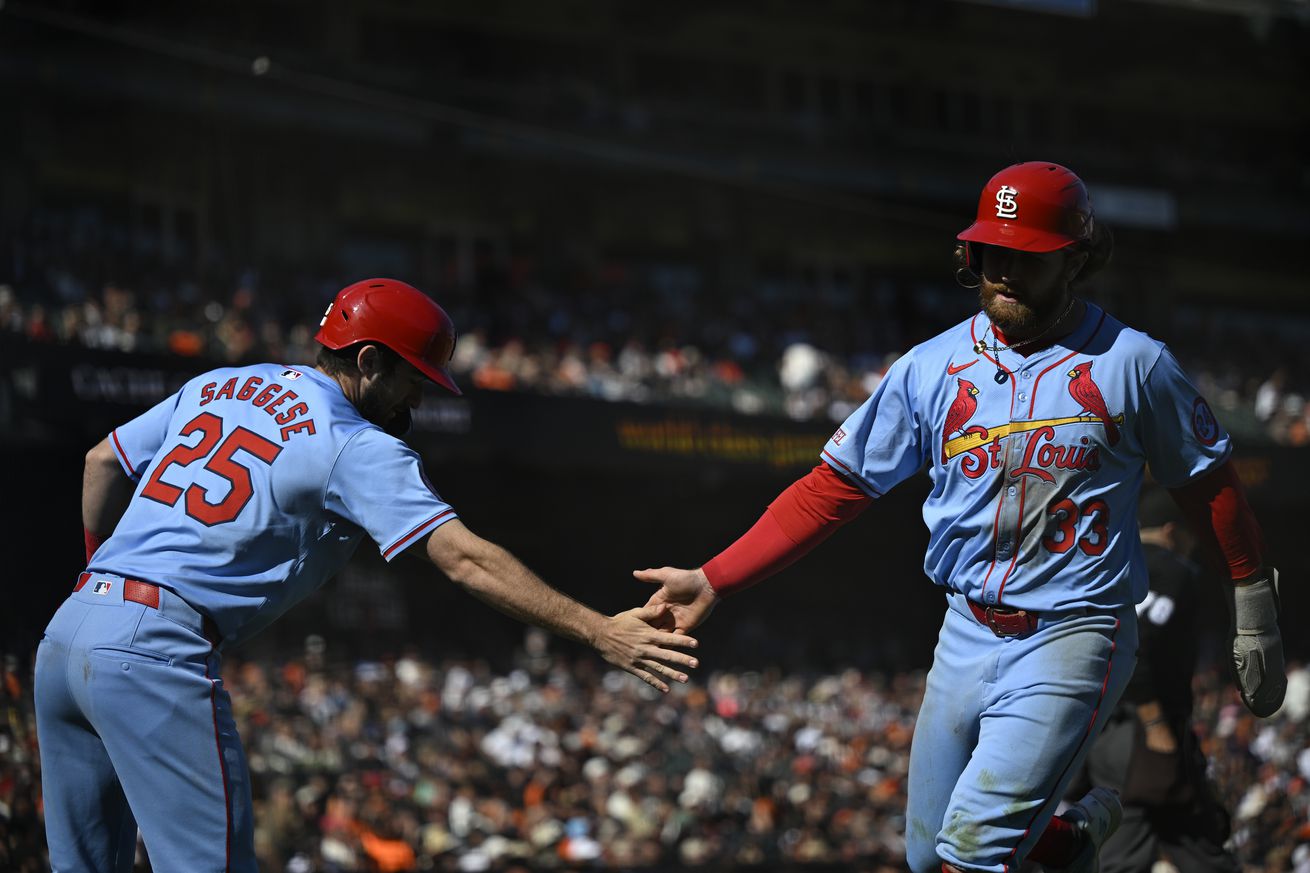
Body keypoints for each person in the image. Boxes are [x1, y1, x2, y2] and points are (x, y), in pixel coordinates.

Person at [635, 161, 1286, 873]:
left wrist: (1252, 601)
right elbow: (833, 489)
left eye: (1026, 255)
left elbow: (1207, 482)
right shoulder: (929, 367)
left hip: (1076, 631)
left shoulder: (1135, 364)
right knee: (923, 854)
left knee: (966, 855)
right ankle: (1068, 842)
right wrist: (715, 578)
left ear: (1074, 258)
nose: (1004, 270)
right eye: (990, 252)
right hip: (966, 631)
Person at [35, 278, 701, 873]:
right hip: (153, 650)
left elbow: (101, 461)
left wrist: (99, 576)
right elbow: (464, 559)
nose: (421, 395)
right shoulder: (356, 443)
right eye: (414, 376)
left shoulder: (216, 383)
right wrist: (598, 630)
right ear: (369, 362)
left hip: (66, 633)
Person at [1066, 488, 1240, 873]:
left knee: (1182, 842)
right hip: (1140, 733)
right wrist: (1155, 721)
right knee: (1149, 851)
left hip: (1097, 728)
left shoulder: (1102, 563)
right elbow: (1135, 650)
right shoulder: (1171, 570)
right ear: (1172, 530)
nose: (1196, 546)